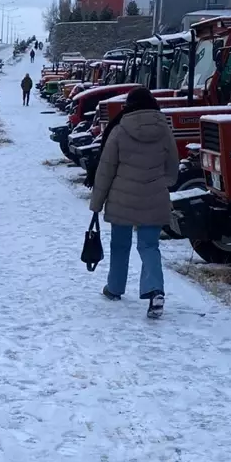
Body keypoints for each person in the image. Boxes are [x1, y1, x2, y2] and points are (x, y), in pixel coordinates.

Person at [88, 86, 179, 318]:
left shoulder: (119, 130)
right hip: (154, 197)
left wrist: (96, 203)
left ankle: (114, 288)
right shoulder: (164, 128)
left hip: (122, 197)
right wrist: (160, 182)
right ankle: (155, 290)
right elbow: (173, 166)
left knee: (120, 245)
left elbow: (106, 169)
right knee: (149, 246)